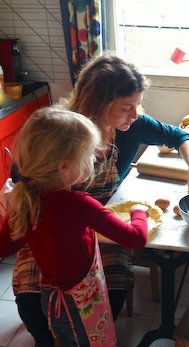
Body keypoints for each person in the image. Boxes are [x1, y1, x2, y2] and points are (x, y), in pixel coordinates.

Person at [10, 53, 189, 346]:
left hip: (101, 231)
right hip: (47, 226)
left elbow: (180, 136)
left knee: (102, 305)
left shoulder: (133, 127)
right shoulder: (64, 129)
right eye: (127, 107)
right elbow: (22, 172)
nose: (135, 114)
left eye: (137, 105)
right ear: (99, 104)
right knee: (34, 311)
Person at [0, 107, 149, 346]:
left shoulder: (24, 200)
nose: (94, 158)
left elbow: (3, 246)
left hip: (53, 298)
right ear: (64, 166)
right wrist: (139, 212)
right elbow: (135, 239)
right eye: (89, 154)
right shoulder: (79, 205)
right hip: (82, 301)